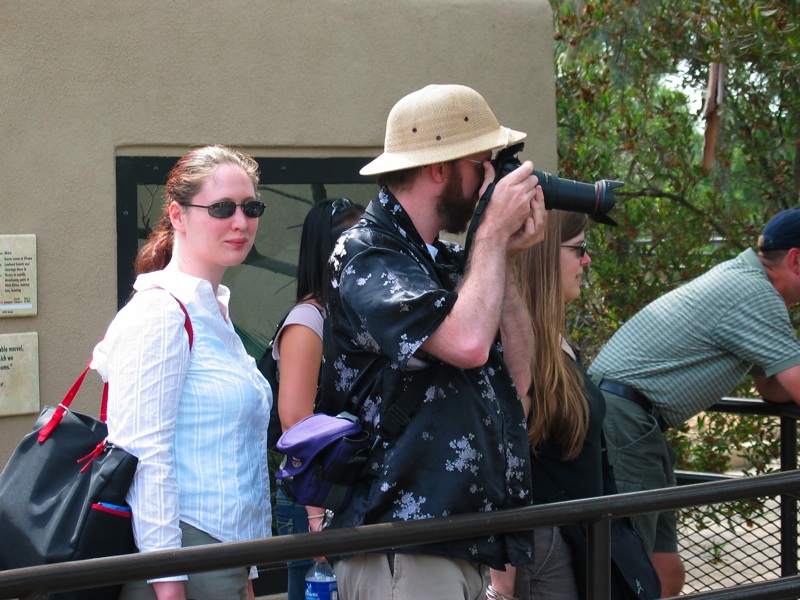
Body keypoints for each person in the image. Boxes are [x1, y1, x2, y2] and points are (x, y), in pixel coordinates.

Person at [315, 83, 546, 599]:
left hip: (449, 539)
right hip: (402, 541)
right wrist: (488, 234)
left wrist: (501, 254)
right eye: (482, 163)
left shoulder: (437, 261)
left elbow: (519, 376)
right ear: (440, 167)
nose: (492, 178)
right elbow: (465, 344)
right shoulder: (367, 254)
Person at [91, 145, 273, 600]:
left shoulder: (213, 312)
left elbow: (239, 457)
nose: (240, 222)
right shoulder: (161, 312)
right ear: (177, 215)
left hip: (224, 558)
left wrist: (248, 572)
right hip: (181, 557)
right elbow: (143, 455)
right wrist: (169, 586)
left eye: (251, 208)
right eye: (222, 208)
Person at [588, 208, 800, 596]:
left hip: (637, 423)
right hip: (626, 422)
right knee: (625, 568)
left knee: (664, 569)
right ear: (796, 259)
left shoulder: (746, 284)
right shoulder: (755, 295)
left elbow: (773, 388)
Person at [271, 197, 364, 600]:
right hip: (314, 503)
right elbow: (296, 422)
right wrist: (318, 519)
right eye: (352, 237)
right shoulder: (308, 320)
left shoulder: (350, 315)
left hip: (344, 497)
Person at [505, 211, 601, 599]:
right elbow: (505, 461)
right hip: (544, 545)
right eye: (578, 249)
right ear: (543, 256)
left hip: (576, 534)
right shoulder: (516, 349)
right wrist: (501, 584)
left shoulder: (555, 339)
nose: (587, 260)